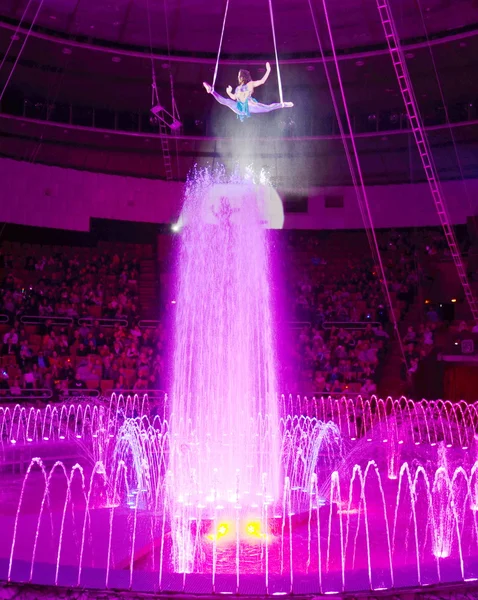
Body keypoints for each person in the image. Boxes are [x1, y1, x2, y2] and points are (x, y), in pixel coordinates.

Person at [203, 62, 293, 121]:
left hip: (249, 106)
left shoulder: (250, 84)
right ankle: (211, 91)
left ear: (243, 77)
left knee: (268, 108)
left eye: (239, 75)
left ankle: (283, 104)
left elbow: (262, 81)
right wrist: (229, 92)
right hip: (239, 107)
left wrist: (268, 71)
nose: (238, 77)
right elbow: (234, 97)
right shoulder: (237, 88)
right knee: (226, 101)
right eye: (238, 76)